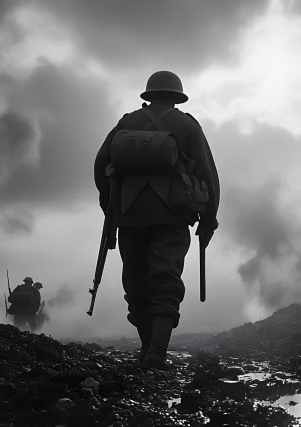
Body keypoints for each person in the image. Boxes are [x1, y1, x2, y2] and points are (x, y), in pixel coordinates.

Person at [93, 70, 220, 370]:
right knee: (166, 280)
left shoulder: (127, 122)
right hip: (173, 215)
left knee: (135, 283)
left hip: (129, 214)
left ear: (149, 95)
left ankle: (148, 348)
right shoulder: (187, 125)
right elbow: (207, 174)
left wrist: (111, 207)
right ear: (177, 97)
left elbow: (101, 164)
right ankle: (157, 353)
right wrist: (209, 218)